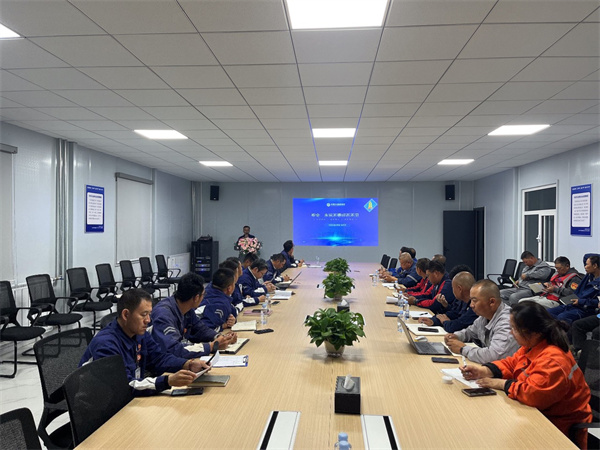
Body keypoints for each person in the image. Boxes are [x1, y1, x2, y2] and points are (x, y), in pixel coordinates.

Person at [460, 301, 592, 448]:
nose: (511, 333)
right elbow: (512, 363)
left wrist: (501, 383)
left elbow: (534, 394)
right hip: (542, 413)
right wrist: (485, 371)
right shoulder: (533, 344)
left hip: (559, 425)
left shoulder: (553, 360)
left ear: (534, 333)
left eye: (514, 329)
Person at [80, 289, 211, 396]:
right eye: (144, 315)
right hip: (99, 407)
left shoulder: (139, 333)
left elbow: (159, 359)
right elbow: (124, 386)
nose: (148, 320)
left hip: (125, 398)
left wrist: (187, 364)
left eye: (149, 314)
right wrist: (167, 381)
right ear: (126, 315)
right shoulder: (106, 344)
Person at [151, 273, 237, 358]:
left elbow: (199, 329)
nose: (204, 297)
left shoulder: (187, 308)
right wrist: (211, 346)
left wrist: (220, 338)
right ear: (196, 298)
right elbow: (174, 349)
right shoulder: (164, 314)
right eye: (203, 294)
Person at [445, 279, 519, 364]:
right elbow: (470, 332)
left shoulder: (507, 321)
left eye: (474, 300)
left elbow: (494, 356)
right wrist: (456, 336)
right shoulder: (484, 316)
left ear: (492, 302)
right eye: (471, 300)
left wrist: (462, 349)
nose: (471, 305)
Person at [549, 253, 600, 324]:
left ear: (595, 266)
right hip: (572, 303)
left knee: (562, 317)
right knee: (548, 313)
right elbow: (586, 256)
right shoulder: (589, 275)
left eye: (587, 264)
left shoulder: (597, 282)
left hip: (585, 308)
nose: (585, 267)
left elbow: (597, 302)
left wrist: (580, 302)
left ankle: (562, 331)